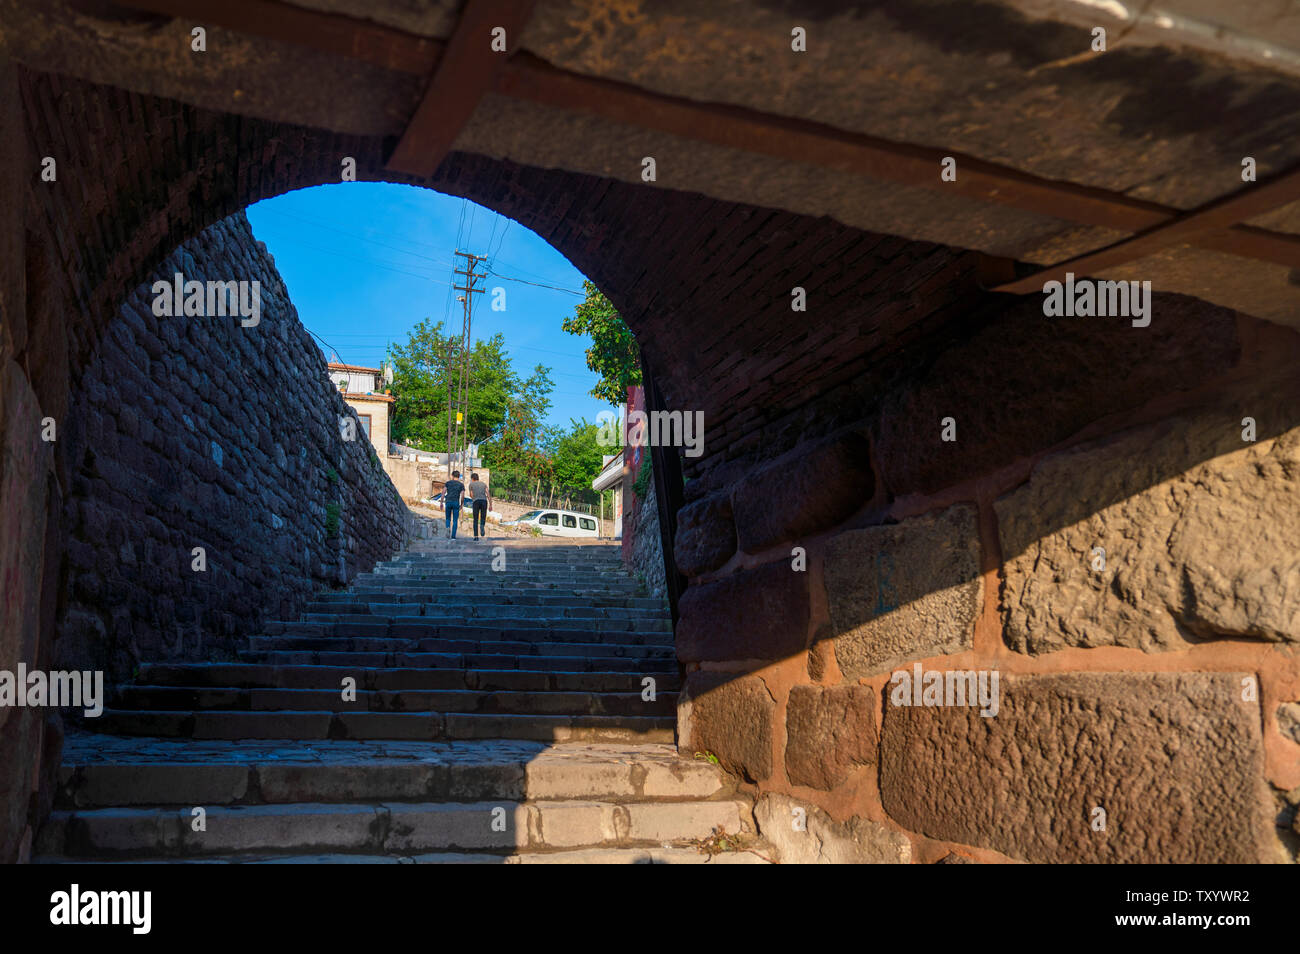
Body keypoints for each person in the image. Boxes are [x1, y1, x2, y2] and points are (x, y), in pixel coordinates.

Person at [443, 471, 465, 539]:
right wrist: (461, 504)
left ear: (452, 476)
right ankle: (453, 537)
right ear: (458, 476)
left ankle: (447, 528)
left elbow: (443, 492)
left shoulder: (448, 483)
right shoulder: (461, 485)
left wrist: (441, 502)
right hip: (456, 503)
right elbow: (462, 495)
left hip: (448, 502)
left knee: (448, 519)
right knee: (455, 520)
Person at [468, 472, 490, 540]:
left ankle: (476, 537)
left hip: (476, 501)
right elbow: (488, 494)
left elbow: (471, 495)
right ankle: (482, 526)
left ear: (472, 478)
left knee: (475, 519)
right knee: (483, 517)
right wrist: (491, 504)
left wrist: (474, 498)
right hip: (484, 501)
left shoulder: (471, 484)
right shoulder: (484, 484)